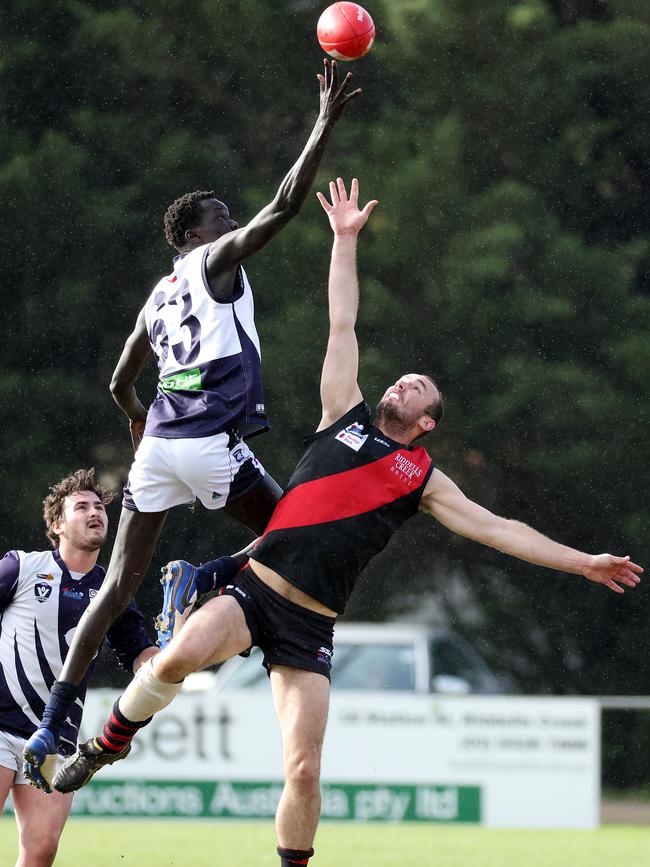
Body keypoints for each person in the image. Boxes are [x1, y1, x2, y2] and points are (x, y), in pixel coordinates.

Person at [50, 181, 642, 867]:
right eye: (400, 379)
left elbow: (501, 528)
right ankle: (106, 743)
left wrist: (584, 561)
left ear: (425, 425)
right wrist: (345, 241)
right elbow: (342, 324)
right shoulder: (343, 412)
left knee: (302, 768)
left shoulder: (421, 478)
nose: (399, 383)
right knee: (178, 657)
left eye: (416, 388)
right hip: (257, 590)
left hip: (310, 627)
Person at [23, 60, 361, 785]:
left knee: (116, 587)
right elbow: (282, 206)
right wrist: (324, 124)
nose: (233, 221)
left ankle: (56, 716)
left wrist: (138, 422)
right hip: (209, 443)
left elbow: (120, 379)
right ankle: (201, 577)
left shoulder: (156, 296)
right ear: (195, 233)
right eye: (220, 215)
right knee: (299, 531)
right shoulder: (211, 261)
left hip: (159, 454)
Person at [0, 469, 156, 866]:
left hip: (58, 738)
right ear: (57, 524)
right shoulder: (22, 566)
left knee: (41, 852)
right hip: (0, 725)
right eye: (81, 506)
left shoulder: (113, 591)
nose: (95, 513)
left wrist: (178, 656)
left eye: (100, 507)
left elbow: (141, 657)